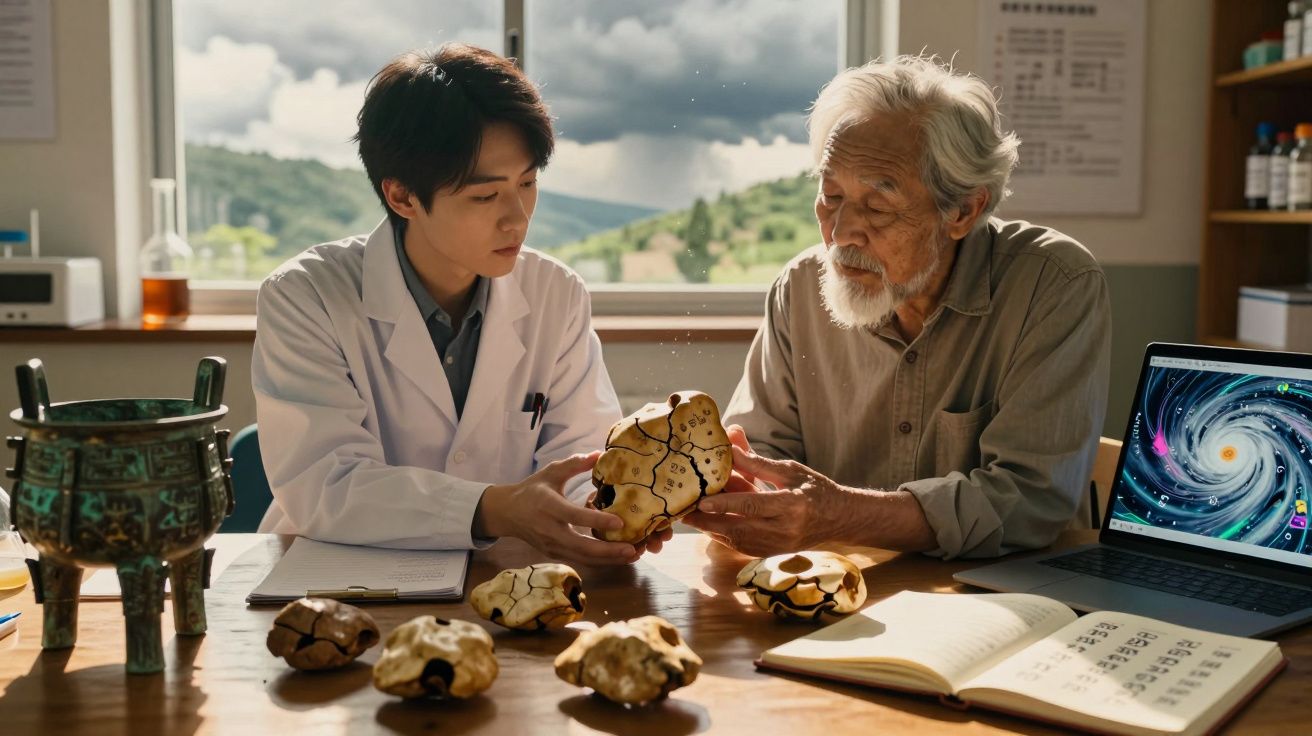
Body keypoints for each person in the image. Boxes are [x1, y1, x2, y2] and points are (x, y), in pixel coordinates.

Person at [684, 55, 1111, 560]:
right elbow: (757, 458)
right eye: (831, 195)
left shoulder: (1053, 285)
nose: (840, 233)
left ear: (962, 210)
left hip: (1004, 593)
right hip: (841, 588)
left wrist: (839, 513)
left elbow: (1029, 499)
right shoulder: (800, 288)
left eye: (877, 206)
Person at [252, 44, 656, 566]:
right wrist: (495, 508)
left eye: (528, 183)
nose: (517, 218)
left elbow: (580, 464)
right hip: (339, 578)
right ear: (402, 197)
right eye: (484, 197)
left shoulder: (557, 294)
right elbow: (326, 487)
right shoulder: (305, 297)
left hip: (506, 574)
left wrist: (608, 520)